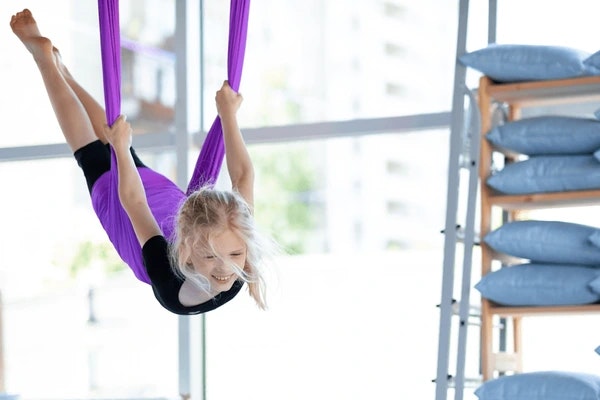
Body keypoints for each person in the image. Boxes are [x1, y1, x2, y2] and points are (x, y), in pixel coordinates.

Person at [10, 8, 273, 315]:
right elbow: (134, 203)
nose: (226, 268)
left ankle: (64, 72)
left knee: (116, 143)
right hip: (132, 207)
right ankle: (45, 62)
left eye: (235, 254)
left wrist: (227, 113)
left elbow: (242, 177)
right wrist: (227, 114)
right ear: (186, 252)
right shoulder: (172, 276)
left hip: (159, 200)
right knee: (91, 153)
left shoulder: (232, 239)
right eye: (214, 256)